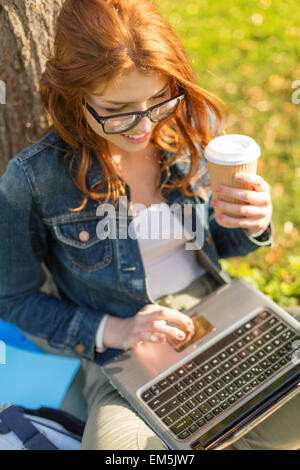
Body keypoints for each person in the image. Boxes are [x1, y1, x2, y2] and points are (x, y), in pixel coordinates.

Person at [0, 0, 299, 451]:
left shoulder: (193, 129)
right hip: (126, 353)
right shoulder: (33, 180)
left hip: (225, 313)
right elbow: (13, 297)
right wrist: (114, 331)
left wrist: (253, 221)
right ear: (74, 93)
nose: (143, 126)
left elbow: (227, 245)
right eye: (119, 109)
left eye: (158, 99)